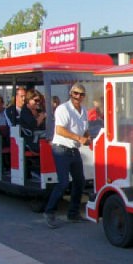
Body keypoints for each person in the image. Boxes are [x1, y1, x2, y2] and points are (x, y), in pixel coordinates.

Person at [43, 83, 90, 228]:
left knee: (80, 181)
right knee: (63, 182)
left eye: (81, 94)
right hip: (61, 149)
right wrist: (79, 138)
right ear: (70, 93)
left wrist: (88, 138)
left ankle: (73, 213)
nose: (78, 97)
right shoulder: (63, 108)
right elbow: (60, 130)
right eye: (75, 93)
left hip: (73, 150)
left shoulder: (84, 111)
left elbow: (85, 129)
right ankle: (49, 212)